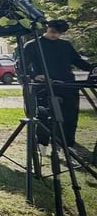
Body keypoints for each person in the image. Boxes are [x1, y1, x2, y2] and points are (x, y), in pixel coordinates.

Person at [22, 19, 92, 150]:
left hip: (67, 84)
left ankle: (66, 143)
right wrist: (34, 76)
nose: (55, 35)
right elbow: (22, 65)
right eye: (53, 31)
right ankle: (42, 143)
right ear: (47, 28)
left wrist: (92, 69)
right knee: (43, 114)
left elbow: (78, 61)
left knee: (70, 115)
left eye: (59, 33)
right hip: (44, 85)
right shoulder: (32, 45)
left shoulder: (65, 45)